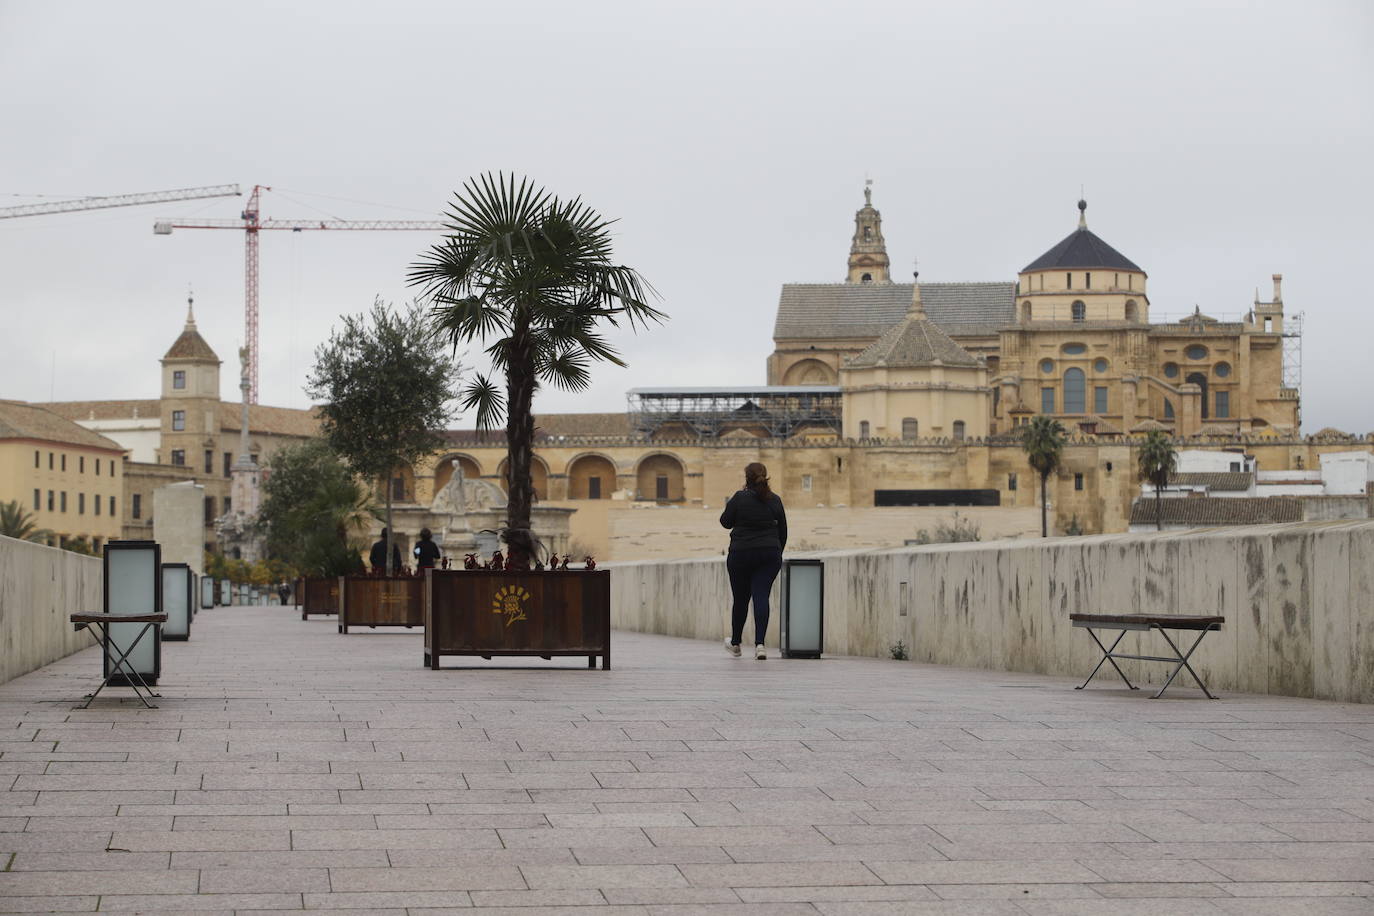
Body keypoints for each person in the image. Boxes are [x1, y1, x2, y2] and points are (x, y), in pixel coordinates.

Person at [719, 462, 787, 659]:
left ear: (746, 477)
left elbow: (725, 522)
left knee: (740, 599)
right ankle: (760, 645)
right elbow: (783, 531)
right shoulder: (774, 500)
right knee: (761, 596)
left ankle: (736, 643)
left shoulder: (740, 498)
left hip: (741, 553)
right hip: (769, 554)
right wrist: (776, 553)